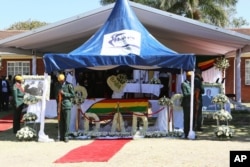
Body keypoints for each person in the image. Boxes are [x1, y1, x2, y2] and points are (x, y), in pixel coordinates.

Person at [54, 74, 75, 142]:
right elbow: (55, 95)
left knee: (67, 121)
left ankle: (66, 136)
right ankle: (61, 136)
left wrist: (65, 94)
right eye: (60, 81)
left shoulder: (69, 85)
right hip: (59, 105)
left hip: (67, 105)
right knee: (61, 122)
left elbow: (73, 95)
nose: (61, 82)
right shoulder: (57, 85)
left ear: (64, 79)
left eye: (62, 81)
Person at [181, 71, 192, 138]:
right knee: (186, 118)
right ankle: (186, 133)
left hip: (192, 103)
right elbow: (185, 94)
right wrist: (193, 93)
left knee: (191, 119)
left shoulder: (192, 84)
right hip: (187, 103)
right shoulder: (184, 84)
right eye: (190, 77)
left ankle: (191, 132)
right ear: (188, 77)